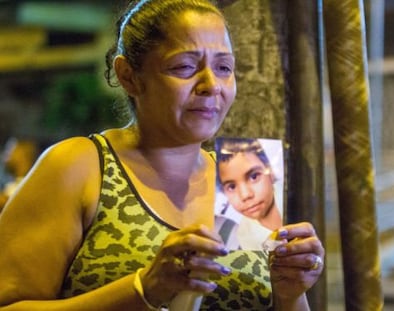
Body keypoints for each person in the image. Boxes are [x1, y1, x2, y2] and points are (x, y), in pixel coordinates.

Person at [0, 1, 325, 310]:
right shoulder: (79, 166)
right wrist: (144, 288)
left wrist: (291, 293)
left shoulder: (240, 177)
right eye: (184, 67)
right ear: (128, 76)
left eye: (224, 67)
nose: (212, 85)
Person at [216, 137, 283, 250]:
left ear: (270, 172)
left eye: (254, 176)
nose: (246, 195)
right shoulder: (243, 237)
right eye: (231, 187)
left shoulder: (295, 195)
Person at [0, 137, 40, 212]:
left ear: (20, 154)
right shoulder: (13, 184)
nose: (4, 156)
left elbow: (10, 202)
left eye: (8, 151)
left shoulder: (31, 186)